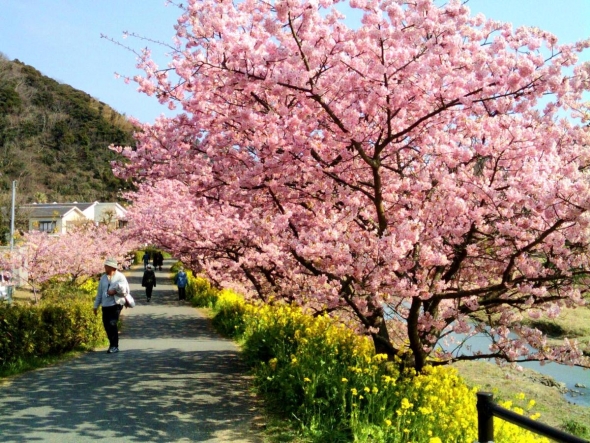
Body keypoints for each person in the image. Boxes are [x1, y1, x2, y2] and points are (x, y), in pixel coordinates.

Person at [93, 257, 130, 354]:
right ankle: (111, 343)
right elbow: (99, 293)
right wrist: (95, 306)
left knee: (112, 324)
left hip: (116, 304)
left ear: (111, 267)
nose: (105, 267)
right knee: (106, 325)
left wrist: (115, 291)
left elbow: (126, 291)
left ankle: (114, 346)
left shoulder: (120, 277)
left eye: (106, 266)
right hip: (105, 305)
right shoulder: (103, 278)